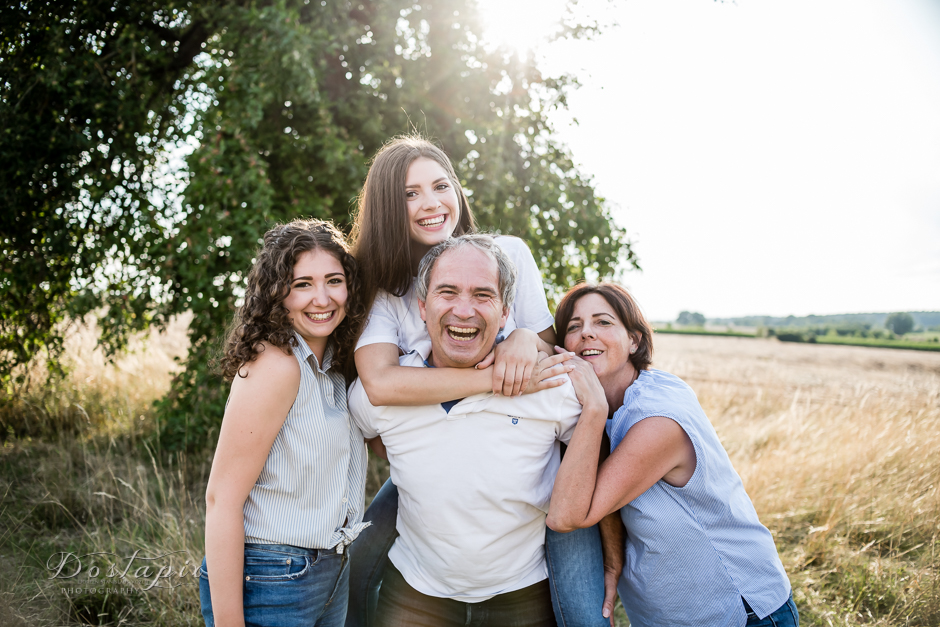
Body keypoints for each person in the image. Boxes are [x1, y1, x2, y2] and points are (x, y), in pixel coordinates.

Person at [346, 135, 617, 627]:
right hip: (434, 451)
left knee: (582, 606)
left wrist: (520, 344)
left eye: (440, 186)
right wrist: (489, 380)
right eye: (410, 194)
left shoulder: (507, 252)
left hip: (529, 455)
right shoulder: (385, 292)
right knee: (358, 563)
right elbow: (381, 386)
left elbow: (540, 339)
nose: (431, 203)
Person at [348, 235, 585, 626]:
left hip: (522, 598)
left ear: (507, 311)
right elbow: (367, 438)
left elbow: (592, 461)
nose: (463, 310)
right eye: (447, 292)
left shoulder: (550, 387)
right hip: (415, 596)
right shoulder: (385, 393)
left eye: (482, 295)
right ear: (422, 308)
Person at [546, 282, 799, 627]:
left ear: (633, 340)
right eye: (574, 326)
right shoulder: (614, 402)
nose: (587, 333)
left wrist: (592, 407)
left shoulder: (657, 420)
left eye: (603, 322)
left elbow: (566, 516)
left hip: (740, 613)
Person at [199, 219, 370, 627]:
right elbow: (221, 500)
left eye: (334, 280)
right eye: (303, 284)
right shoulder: (277, 365)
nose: (322, 298)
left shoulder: (332, 369)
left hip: (329, 569)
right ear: (278, 292)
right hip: (273, 575)